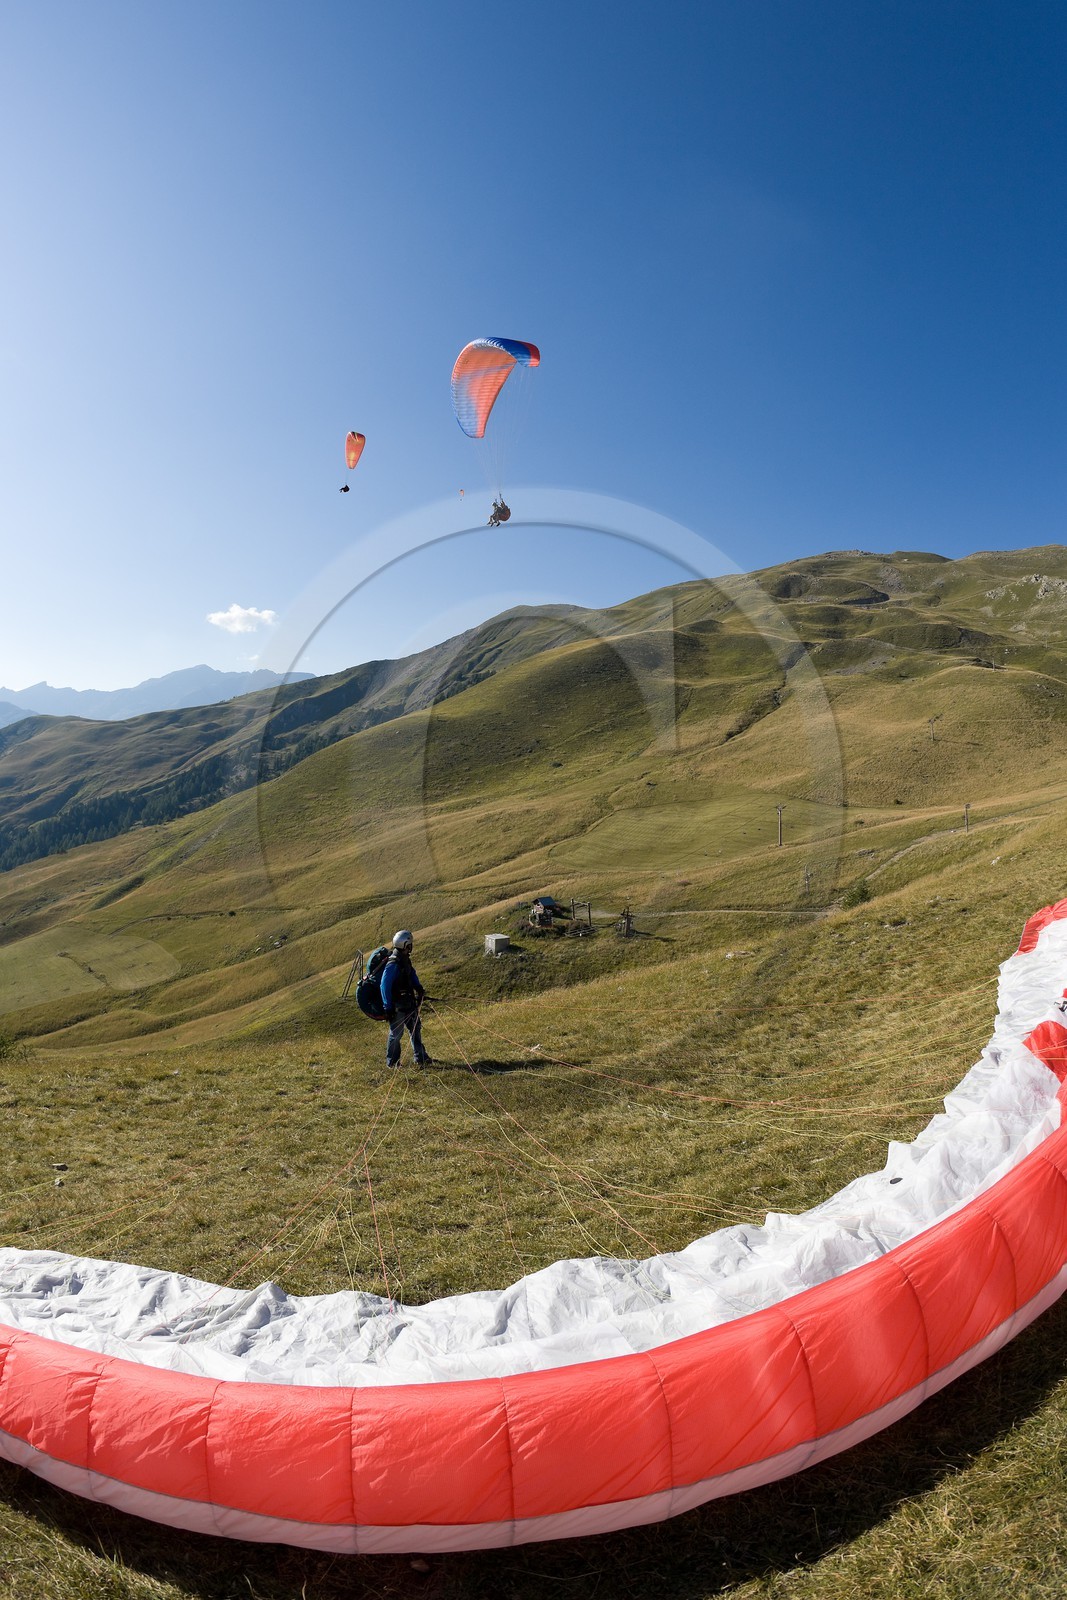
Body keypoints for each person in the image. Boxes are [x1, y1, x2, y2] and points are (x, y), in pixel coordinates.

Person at [380, 929, 432, 1067]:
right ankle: (392, 1063)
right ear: (405, 945)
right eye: (410, 944)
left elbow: (412, 974)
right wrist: (388, 1007)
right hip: (397, 1007)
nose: (411, 946)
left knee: (416, 1028)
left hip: (409, 1002)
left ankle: (420, 1057)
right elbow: (384, 986)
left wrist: (418, 988)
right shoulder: (393, 964)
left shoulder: (405, 960)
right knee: (396, 1034)